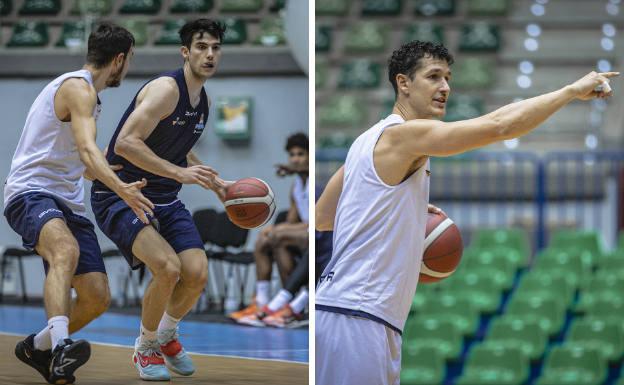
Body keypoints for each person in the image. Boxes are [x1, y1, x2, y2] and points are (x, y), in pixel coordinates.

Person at [314, 40, 618, 385]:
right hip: (359, 316)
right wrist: (570, 92)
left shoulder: (365, 140)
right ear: (403, 83)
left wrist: (400, 211)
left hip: (342, 310)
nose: (445, 87)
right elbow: (500, 126)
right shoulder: (405, 136)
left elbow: (324, 218)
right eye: (433, 77)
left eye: (448, 78)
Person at [4, 23, 153, 385]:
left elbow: (86, 164)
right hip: (30, 192)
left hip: (69, 202)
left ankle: (36, 347)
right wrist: (121, 188)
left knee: (97, 296)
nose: (128, 67)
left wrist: (122, 173)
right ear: (119, 60)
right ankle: (61, 345)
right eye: (129, 60)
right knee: (64, 251)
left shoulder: (90, 99)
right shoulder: (77, 89)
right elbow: (88, 150)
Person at [90, 19, 228, 381]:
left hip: (164, 197)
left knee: (196, 273)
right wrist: (181, 173)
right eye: (201, 47)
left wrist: (212, 180)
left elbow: (181, 147)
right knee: (168, 268)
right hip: (122, 192)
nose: (209, 54)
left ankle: (167, 334)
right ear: (185, 52)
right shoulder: (166, 89)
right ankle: (146, 346)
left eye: (215, 47)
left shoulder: (203, 100)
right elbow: (126, 143)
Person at [229, 133, 309, 326]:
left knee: (276, 234)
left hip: (316, 234)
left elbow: (317, 222)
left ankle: (285, 304)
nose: (295, 158)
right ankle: (263, 302)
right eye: (292, 155)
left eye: (300, 154)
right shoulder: (296, 185)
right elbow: (291, 221)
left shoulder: (315, 180)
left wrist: (278, 229)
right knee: (266, 241)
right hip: (301, 235)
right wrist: (275, 230)